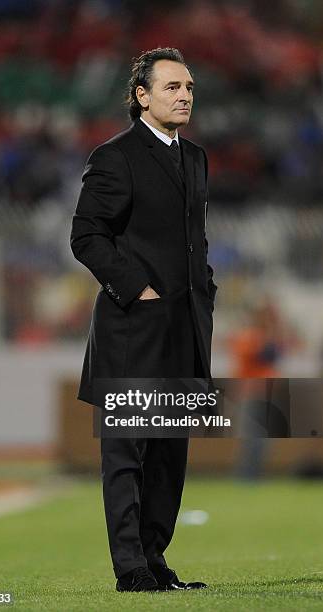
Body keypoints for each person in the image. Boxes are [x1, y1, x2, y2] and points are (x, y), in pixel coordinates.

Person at [70, 48, 217, 592]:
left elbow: (192, 240)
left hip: (187, 329)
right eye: (173, 87)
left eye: (189, 87)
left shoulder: (196, 157)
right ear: (142, 96)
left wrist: (207, 290)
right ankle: (130, 568)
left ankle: (154, 559)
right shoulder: (116, 156)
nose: (184, 95)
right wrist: (140, 290)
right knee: (127, 452)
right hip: (134, 326)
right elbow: (85, 235)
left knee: (169, 455)